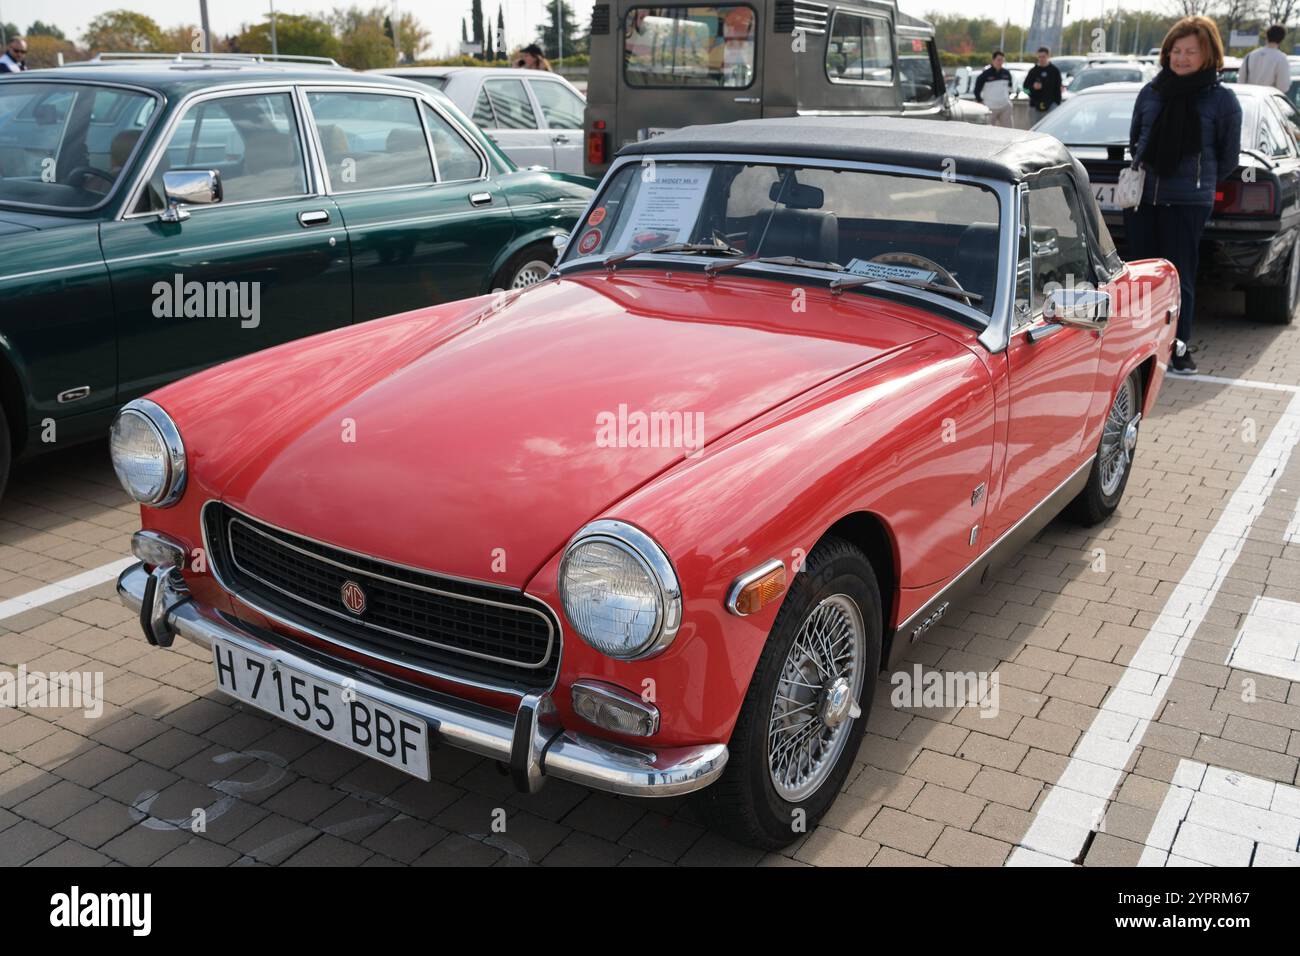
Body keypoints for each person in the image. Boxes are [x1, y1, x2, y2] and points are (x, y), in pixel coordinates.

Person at [1126, 16, 1242, 374]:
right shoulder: (1151, 92)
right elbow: (1135, 142)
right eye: (1176, 50)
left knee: (1179, 278)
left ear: (1208, 54)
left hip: (1188, 202)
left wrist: (1197, 184)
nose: (1182, 57)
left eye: (1191, 51)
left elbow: (1227, 159)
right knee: (1141, 277)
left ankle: (1179, 348)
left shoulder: (1222, 100)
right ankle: (1137, 349)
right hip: (1144, 198)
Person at [1239, 25, 1290, 93]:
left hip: (1248, 99)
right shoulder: (1282, 58)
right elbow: (1283, 87)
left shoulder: (1250, 55)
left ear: (1267, 36)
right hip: (1268, 100)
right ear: (1282, 39)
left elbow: (1240, 81)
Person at [974, 51, 1014, 128]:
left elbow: (1010, 88)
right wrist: (980, 101)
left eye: (1002, 60)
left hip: (1005, 106)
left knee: (1009, 131)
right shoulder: (985, 74)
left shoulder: (1007, 73)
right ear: (993, 60)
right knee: (988, 131)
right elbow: (977, 90)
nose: (1000, 62)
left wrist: (1007, 98)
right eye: (998, 60)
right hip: (990, 107)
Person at [1023, 46, 1062, 116]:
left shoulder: (1054, 71)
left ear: (1048, 56)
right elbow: (1025, 89)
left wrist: (1057, 104)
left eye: (1043, 57)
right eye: (1039, 57)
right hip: (1034, 107)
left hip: (1051, 106)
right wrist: (1033, 88)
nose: (1041, 59)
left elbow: (1058, 89)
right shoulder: (1033, 71)